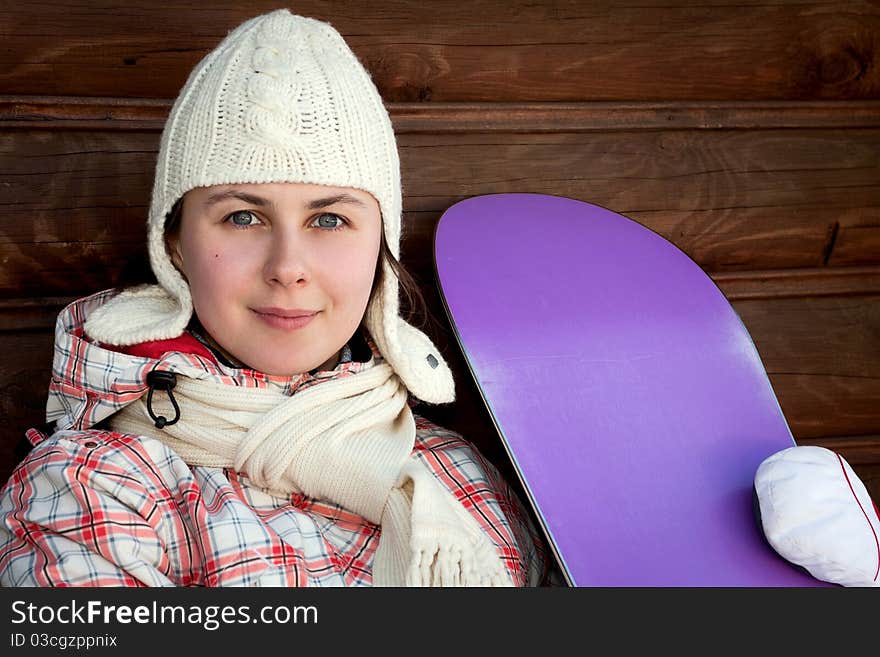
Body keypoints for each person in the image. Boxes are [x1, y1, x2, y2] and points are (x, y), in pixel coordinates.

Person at [0, 9, 557, 587]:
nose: (288, 268)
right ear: (176, 246)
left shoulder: (454, 477)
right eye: (243, 217)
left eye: (331, 220)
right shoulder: (94, 488)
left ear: (380, 249)